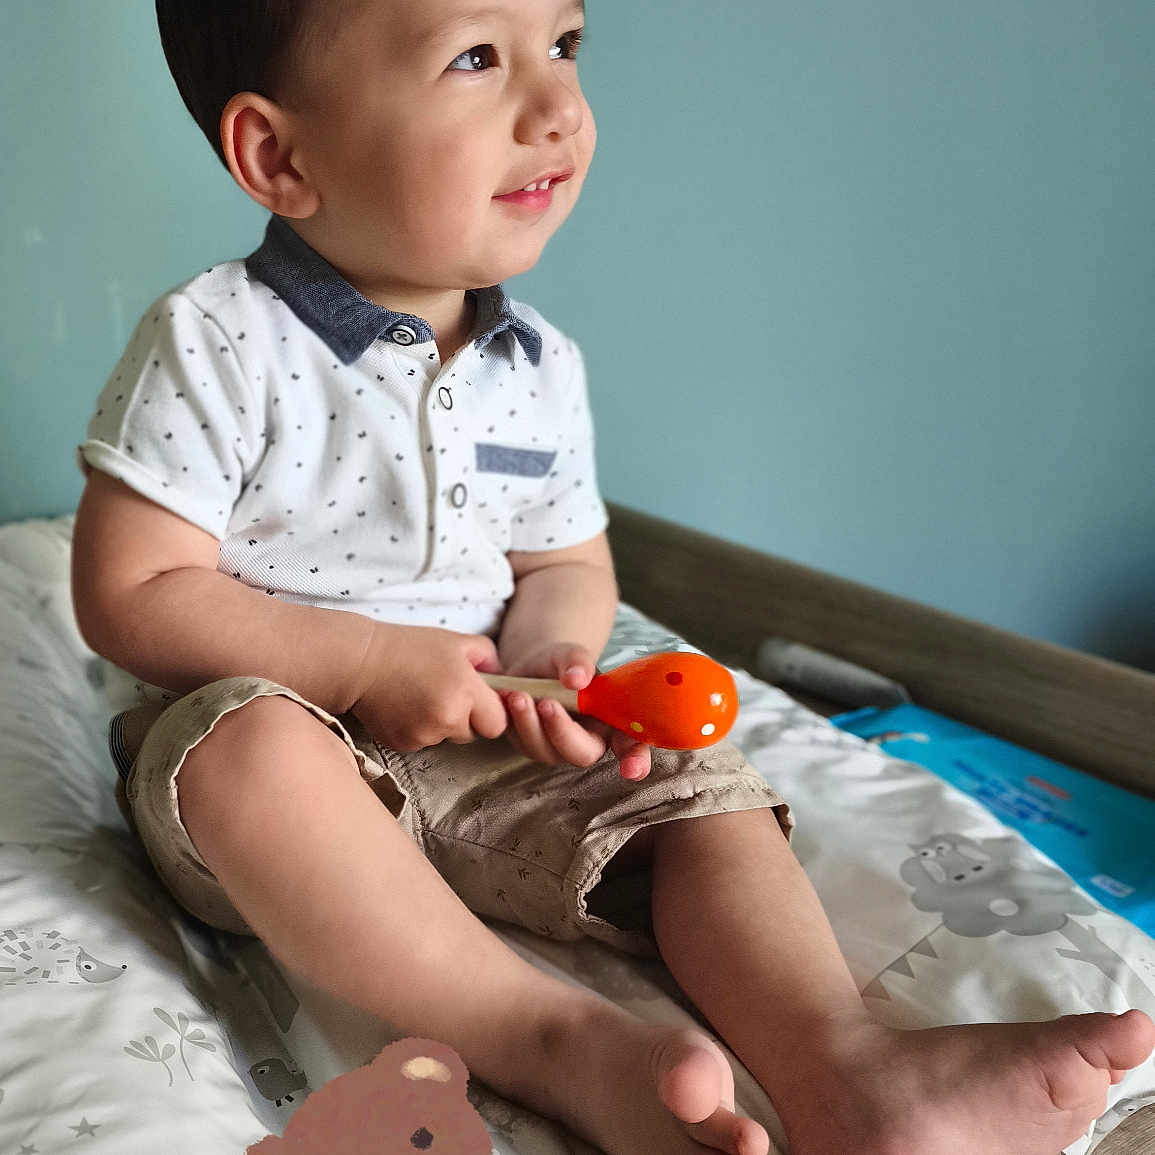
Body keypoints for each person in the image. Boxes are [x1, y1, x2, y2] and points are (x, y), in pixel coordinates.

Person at [70, 2, 1154, 1152]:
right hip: (278, 742)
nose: (560, 108)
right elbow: (131, 592)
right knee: (251, 756)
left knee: (702, 788)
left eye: (566, 45)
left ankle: (847, 1068)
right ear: (278, 155)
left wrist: (556, 658)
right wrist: (368, 659)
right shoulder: (218, 339)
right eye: (479, 57)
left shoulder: (535, 363)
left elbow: (565, 560)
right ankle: (562, 1046)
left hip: (492, 735)